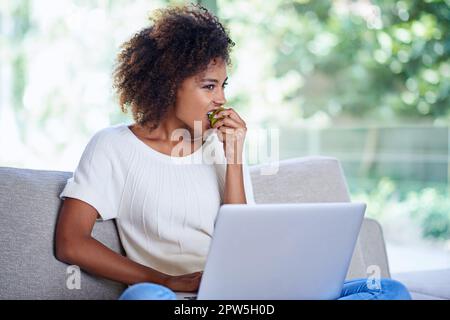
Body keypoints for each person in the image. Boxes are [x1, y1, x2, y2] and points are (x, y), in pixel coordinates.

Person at [55, 3, 411, 301]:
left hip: (247, 297)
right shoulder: (113, 147)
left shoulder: (219, 147)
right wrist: (163, 279)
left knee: (388, 291)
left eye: (223, 85)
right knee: (142, 298)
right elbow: (71, 242)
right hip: (177, 298)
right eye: (208, 86)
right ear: (166, 83)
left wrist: (235, 158)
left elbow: (242, 243)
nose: (221, 98)